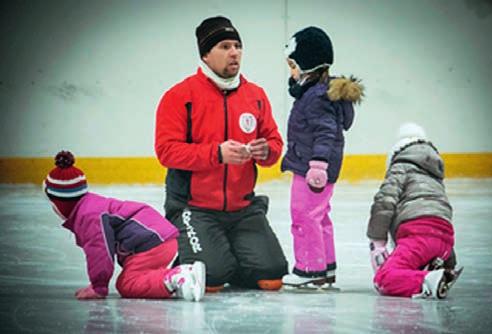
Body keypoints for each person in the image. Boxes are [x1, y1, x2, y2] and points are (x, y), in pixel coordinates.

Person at [154, 16, 288, 292]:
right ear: (205, 54)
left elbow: (274, 144)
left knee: (272, 276)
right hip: (195, 208)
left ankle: (219, 253)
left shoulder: (256, 95)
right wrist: (216, 153)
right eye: (225, 46)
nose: (234, 52)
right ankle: (198, 253)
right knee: (212, 278)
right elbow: (166, 151)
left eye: (237, 45)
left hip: (243, 210)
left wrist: (266, 151)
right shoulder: (180, 96)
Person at [43, 151, 206, 301]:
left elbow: (100, 252)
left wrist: (98, 287)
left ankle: (178, 276)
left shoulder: (89, 216)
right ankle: (178, 281)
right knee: (138, 277)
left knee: (127, 284)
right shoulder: (90, 207)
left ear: (60, 203)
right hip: (158, 239)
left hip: (151, 243)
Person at [280, 26, 364, 287]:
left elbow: (326, 132)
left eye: (293, 65)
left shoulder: (316, 97)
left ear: (308, 65)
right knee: (319, 216)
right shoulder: (319, 92)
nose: (291, 71)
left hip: (311, 168)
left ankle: (309, 270)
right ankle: (326, 268)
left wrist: (317, 165)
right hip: (314, 165)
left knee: (304, 216)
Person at [366, 123, 462, 299]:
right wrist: (450, 264)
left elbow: (384, 202)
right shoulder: (434, 178)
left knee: (384, 279)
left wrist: (377, 239)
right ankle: (435, 273)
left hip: (418, 235)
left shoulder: (400, 167)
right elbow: (438, 216)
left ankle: (428, 280)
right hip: (445, 242)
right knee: (410, 267)